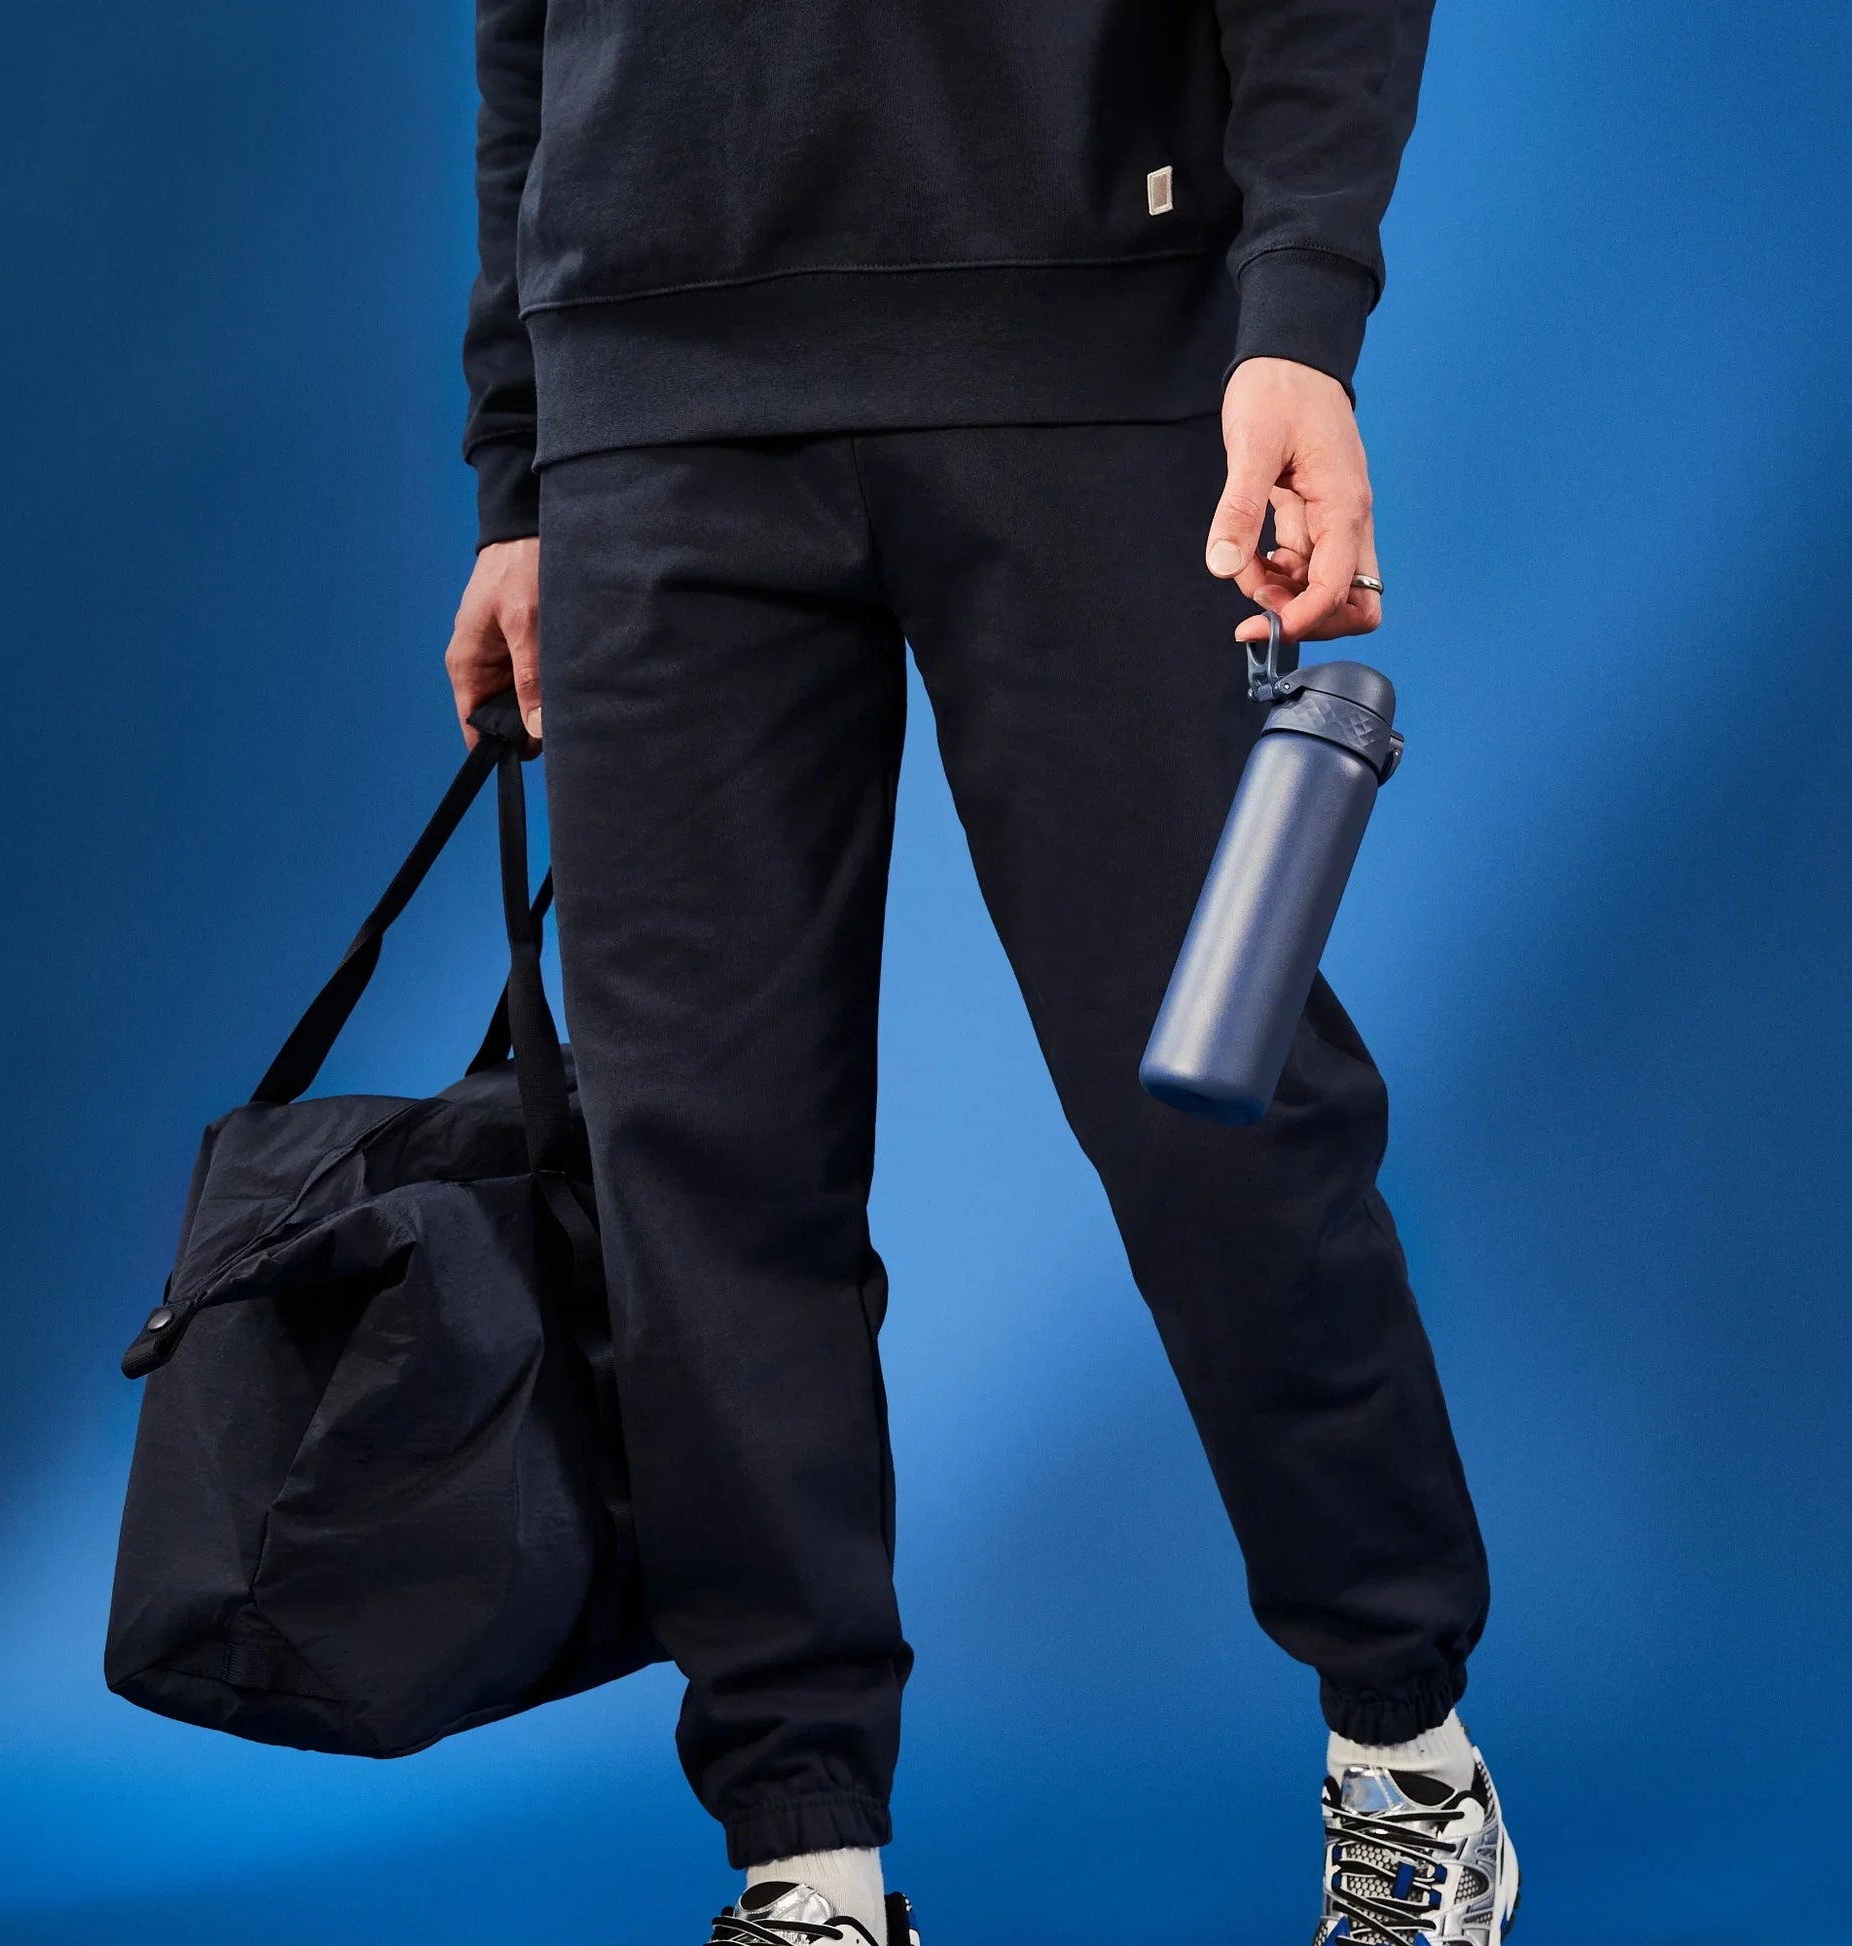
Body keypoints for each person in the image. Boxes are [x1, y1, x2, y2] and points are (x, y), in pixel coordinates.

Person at [443, 1, 1517, 1940]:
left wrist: (1297, 318)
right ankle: (807, 1859)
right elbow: (524, 25)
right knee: (702, 1175)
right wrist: (522, 469)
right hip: (646, 404)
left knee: (1218, 1099)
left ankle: (1406, 1748)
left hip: (1088, 336)